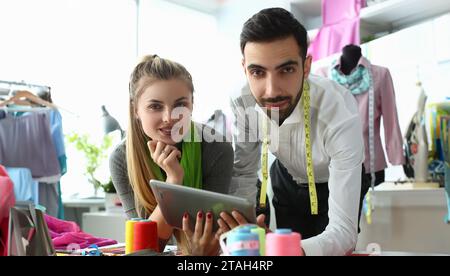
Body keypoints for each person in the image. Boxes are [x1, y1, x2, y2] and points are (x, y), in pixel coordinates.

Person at [219, 8, 365, 256]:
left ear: (306, 67)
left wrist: (285, 249)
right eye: (257, 72)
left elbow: (343, 231)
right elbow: (244, 172)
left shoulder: (339, 110)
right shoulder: (241, 100)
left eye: (286, 70)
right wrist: (243, 224)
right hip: (286, 178)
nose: (271, 90)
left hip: (334, 180)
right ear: (244, 69)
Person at [109, 55, 234, 256]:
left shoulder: (216, 149)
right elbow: (145, 248)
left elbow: (209, 243)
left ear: (192, 105)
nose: (169, 118)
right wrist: (173, 182)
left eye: (180, 105)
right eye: (155, 106)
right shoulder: (121, 159)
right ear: (136, 110)